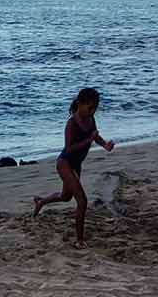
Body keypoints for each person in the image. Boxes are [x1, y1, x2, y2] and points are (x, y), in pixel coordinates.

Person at [33, 88, 115, 249]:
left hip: (76, 165)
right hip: (65, 163)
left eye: (95, 108)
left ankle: (41, 201)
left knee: (65, 197)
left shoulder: (90, 119)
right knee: (82, 201)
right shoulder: (72, 123)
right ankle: (79, 240)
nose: (92, 111)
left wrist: (105, 145)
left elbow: (95, 135)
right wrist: (88, 141)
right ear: (80, 104)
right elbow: (69, 148)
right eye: (90, 108)